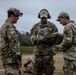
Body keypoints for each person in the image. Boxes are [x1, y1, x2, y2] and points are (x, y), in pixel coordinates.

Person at [30, 9, 58, 75]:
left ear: (47, 17)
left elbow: (56, 38)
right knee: (38, 71)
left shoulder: (52, 26)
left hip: (48, 53)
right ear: (40, 17)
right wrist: (37, 40)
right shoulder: (35, 26)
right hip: (38, 53)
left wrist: (47, 40)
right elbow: (32, 36)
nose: (43, 19)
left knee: (49, 72)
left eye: (45, 17)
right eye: (42, 17)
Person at [0, 7, 23, 75]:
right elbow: (14, 46)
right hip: (11, 59)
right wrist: (18, 59)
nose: (18, 18)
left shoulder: (4, 26)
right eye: (17, 16)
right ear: (12, 16)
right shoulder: (10, 27)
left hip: (7, 59)